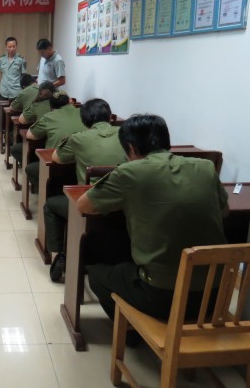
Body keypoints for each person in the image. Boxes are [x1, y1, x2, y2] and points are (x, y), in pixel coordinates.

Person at [76, 114, 228, 321]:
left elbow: (83, 205)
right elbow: (224, 211)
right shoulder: (205, 167)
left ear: (130, 148)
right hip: (215, 295)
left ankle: (131, 332)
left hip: (163, 297)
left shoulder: (129, 172)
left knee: (97, 275)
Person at [44, 99, 126, 282]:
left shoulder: (79, 138)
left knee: (51, 205)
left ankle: (59, 256)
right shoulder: (125, 135)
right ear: (109, 116)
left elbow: (56, 158)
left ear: (84, 120)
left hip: (91, 203)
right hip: (124, 204)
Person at [24, 90, 85, 190]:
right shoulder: (83, 113)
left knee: (31, 169)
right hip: (82, 166)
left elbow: (30, 135)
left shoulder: (49, 117)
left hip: (58, 165)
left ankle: (45, 191)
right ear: (70, 101)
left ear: (52, 107)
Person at [0, 37, 26, 101]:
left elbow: (23, 76)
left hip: (16, 92)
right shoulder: (1, 59)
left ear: (16, 46)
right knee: (2, 107)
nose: (12, 49)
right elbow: (1, 74)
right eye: (9, 47)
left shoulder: (21, 59)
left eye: (13, 46)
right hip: (4, 92)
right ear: (6, 47)